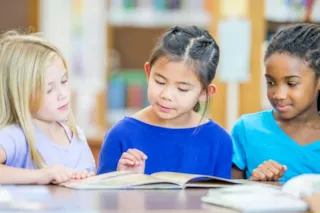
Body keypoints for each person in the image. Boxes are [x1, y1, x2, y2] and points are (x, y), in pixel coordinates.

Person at [97, 26, 233, 178]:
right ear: (148, 73)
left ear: (205, 93)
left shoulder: (219, 141)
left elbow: (219, 198)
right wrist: (124, 181)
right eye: (160, 81)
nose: (166, 95)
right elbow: (103, 198)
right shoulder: (120, 134)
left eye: (182, 89)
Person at [0, 31, 96, 184]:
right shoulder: (17, 136)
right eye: (49, 89)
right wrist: (40, 176)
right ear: (21, 95)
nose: (62, 94)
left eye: (64, 81)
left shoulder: (76, 135)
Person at [231, 23, 320, 182]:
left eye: (291, 84)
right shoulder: (247, 129)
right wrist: (254, 184)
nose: (278, 95)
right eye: (271, 83)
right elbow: (227, 196)